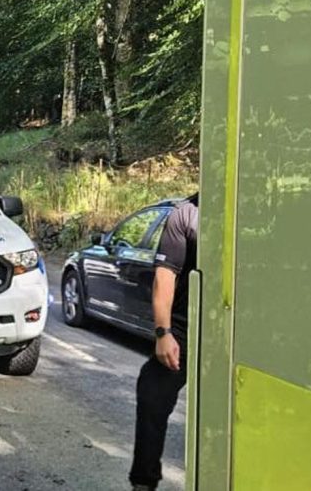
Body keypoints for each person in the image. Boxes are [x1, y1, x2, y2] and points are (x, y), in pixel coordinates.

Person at [130, 193, 198, 491]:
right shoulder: (185, 214)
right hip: (185, 326)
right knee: (152, 392)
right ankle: (144, 483)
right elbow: (165, 276)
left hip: (237, 325)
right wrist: (163, 332)